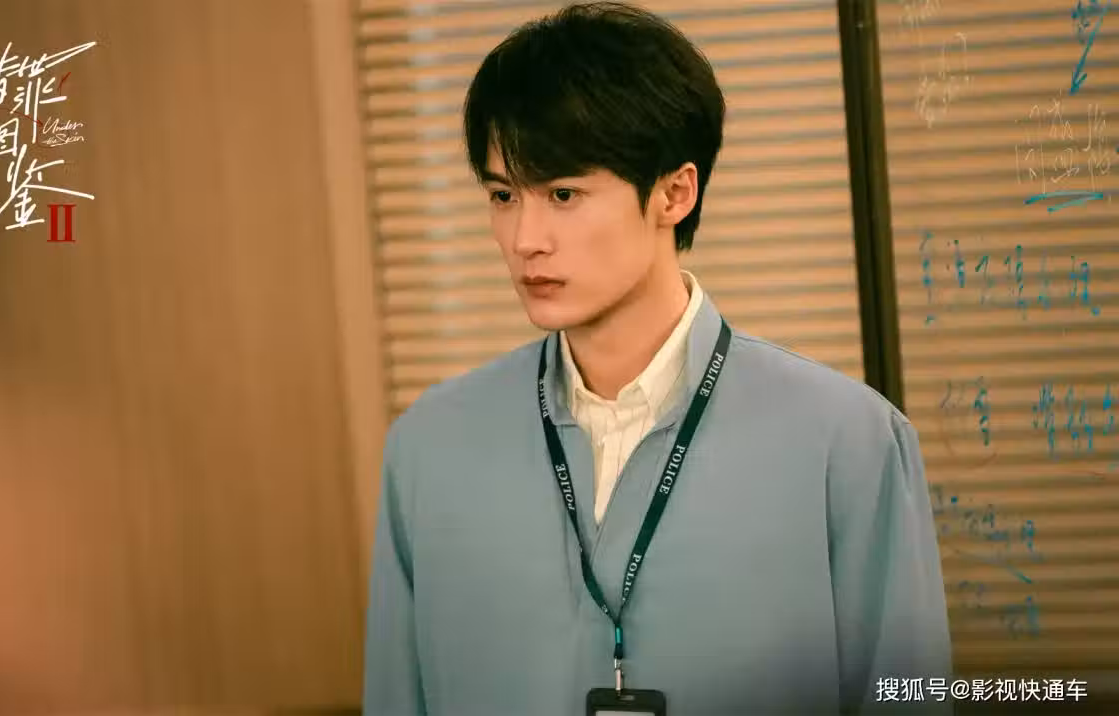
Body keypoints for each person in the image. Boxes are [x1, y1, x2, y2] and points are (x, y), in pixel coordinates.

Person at [362, 3, 952, 714]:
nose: (524, 238)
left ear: (675, 193)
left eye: (563, 194)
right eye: (503, 195)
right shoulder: (429, 450)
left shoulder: (847, 441)